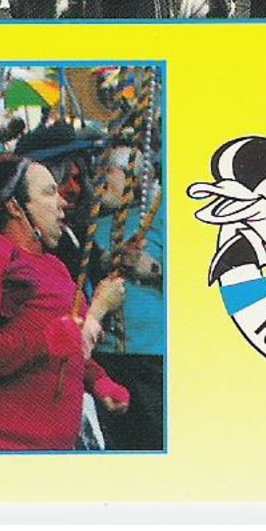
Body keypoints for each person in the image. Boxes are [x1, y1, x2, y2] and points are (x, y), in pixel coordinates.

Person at [0, 156, 130, 450]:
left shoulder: (55, 265)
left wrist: (98, 380)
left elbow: (68, 343)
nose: (62, 202)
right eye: (49, 193)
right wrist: (47, 342)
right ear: (15, 206)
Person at [86, 145, 166, 451]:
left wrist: (154, 268)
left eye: (109, 171)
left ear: (135, 178)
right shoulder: (94, 224)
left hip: (151, 355)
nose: (100, 178)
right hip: (106, 355)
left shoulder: (161, 218)